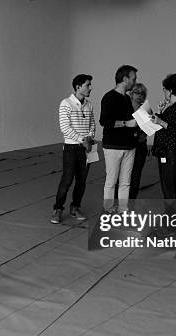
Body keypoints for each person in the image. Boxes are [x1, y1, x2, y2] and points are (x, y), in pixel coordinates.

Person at [50, 74, 96, 224]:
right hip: (71, 149)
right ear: (78, 87)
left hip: (87, 148)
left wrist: (89, 137)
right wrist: (82, 140)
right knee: (67, 180)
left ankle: (75, 207)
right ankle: (58, 209)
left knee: (82, 181)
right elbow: (65, 127)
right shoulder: (66, 104)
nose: (90, 88)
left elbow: (93, 125)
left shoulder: (89, 105)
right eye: (87, 85)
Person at [100, 65, 139, 213]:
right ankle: (109, 209)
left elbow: (131, 120)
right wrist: (125, 123)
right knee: (111, 181)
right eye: (133, 79)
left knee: (125, 183)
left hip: (129, 146)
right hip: (113, 146)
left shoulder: (127, 98)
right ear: (125, 79)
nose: (135, 82)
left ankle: (123, 209)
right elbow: (104, 121)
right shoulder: (109, 97)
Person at [150, 72, 176, 199]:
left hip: (171, 153)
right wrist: (160, 112)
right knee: (167, 187)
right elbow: (164, 125)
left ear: (171, 90)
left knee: (170, 189)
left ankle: (172, 217)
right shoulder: (173, 108)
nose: (164, 92)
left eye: (165, 90)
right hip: (166, 153)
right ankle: (171, 216)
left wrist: (161, 121)